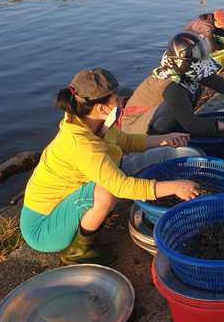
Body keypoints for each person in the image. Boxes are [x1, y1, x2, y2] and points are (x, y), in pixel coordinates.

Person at [20, 68, 200, 266]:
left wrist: (164, 140)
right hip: (42, 228)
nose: (120, 103)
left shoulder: (94, 124)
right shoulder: (81, 144)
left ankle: (89, 218)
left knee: (112, 170)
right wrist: (176, 187)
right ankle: (77, 251)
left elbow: (127, 141)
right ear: (101, 108)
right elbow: (122, 187)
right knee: (106, 192)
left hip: (61, 206)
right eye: (116, 99)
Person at [119, 32, 224, 136]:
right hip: (132, 129)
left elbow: (222, 84)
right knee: (171, 108)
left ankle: (172, 128)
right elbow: (191, 124)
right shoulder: (171, 84)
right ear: (182, 62)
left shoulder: (182, 69)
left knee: (194, 91)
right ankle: (157, 141)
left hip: (154, 116)